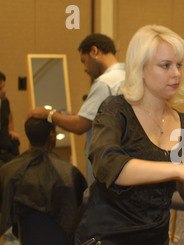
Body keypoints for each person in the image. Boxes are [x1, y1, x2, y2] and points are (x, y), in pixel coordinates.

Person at [71, 25, 184, 245]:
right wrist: (182, 168)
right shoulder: (116, 111)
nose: (176, 73)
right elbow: (110, 166)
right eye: (165, 65)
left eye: (178, 65)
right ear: (140, 68)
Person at [28, 34, 126, 185]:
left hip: (109, 170)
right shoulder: (130, 77)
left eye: (84, 61)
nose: (85, 69)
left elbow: (80, 125)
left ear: (94, 51)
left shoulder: (104, 83)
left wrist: (48, 114)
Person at [0, 118, 87, 245]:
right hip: (64, 243)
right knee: (79, 232)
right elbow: (83, 210)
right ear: (51, 135)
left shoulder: (8, 171)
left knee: (26, 214)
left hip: (29, 242)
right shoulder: (69, 172)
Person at [0, 72, 20, 165]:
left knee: (19, 167)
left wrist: (10, 131)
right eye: (0, 88)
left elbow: (9, 117)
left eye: (4, 86)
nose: (4, 91)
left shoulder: (5, 102)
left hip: (6, 151)